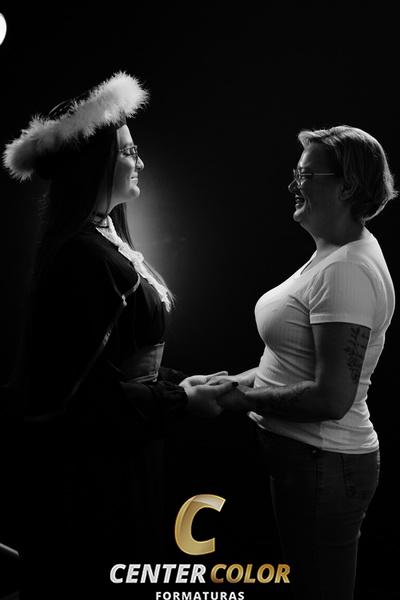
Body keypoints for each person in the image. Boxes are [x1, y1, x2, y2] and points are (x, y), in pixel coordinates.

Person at [3, 71, 239, 598]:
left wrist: (181, 382)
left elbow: (125, 361)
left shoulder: (104, 243)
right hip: (96, 470)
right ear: (94, 164)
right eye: (130, 151)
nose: (140, 161)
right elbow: (83, 397)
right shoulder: (81, 258)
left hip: (130, 445)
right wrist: (181, 400)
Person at [182, 125, 397, 599]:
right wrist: (229, 381)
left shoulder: (347, 270)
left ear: (346, 187)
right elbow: (293, 361)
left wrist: (239, 400)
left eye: (305, 175)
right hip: (312, 465)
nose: (293, 185)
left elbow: (331, 397)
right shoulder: (333, 256)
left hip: (324, 464)